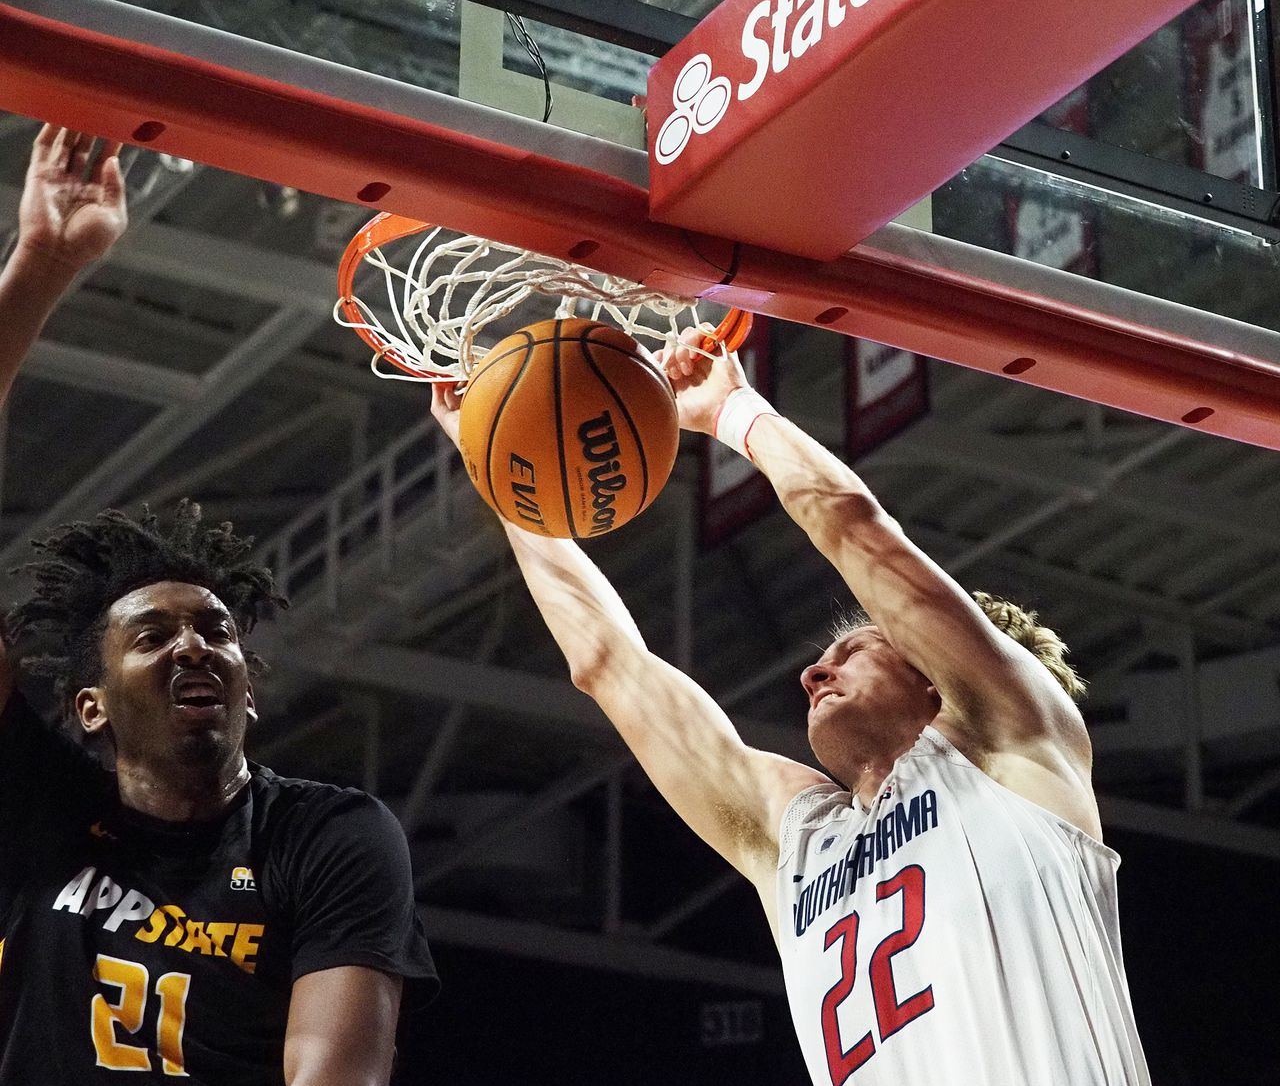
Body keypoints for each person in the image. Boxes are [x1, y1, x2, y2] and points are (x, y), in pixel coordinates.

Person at [430, 330, 1151, 1084]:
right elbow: (609, 665)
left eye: (853, 647)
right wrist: (503, 469)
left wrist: (736, 411)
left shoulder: (1015, 745)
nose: (813, 671)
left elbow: (855, 527)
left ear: (938, 675)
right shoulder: (795, 842)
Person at [0, 125, 437, 1084]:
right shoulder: (35, 806)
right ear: (91, 704)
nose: (196, 647)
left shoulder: (328, 835)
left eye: (218, 631)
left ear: (250, 687)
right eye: (153, 635)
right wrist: (39, 263)